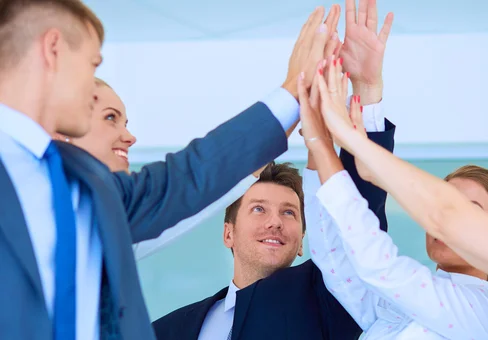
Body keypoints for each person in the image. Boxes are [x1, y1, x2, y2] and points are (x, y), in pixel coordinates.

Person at [0, 1, 330, 340]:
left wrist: (292, 94)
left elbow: (188, 176)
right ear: (53, 50)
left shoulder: (88, 183)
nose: (93, 89)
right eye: (91, 65)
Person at [312, 38, 488, 340]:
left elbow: (387, 258)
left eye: (469, 211)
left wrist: (344, 139)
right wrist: (318, 139)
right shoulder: (404, 303)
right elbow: (336, 262)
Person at [152, 3, 396, 339]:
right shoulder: (167, 329)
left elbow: (360, 225)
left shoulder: (334, 297)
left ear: (301, 243)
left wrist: (366, 95)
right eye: (258, 209)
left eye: (290, 212)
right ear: (228, 234)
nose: (275, 222)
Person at [55, 77, 266, 260]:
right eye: (111, 117)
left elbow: (191, 205)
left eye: (125, 124)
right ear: (62, 131)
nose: (130, 137)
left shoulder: (112, 223)